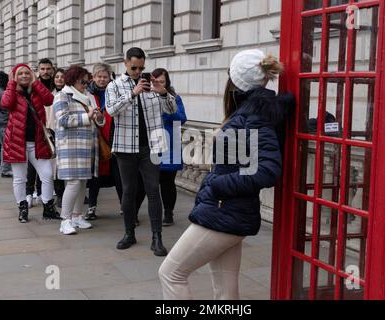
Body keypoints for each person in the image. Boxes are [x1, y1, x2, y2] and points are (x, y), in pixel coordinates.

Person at [158, 49, 294, 299]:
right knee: (226, 291)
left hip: (226, 210)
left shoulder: (253, 116)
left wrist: (220, 185)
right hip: (230, 211)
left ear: (236, 80)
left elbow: (268, 169)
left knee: (171, 273)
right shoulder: (250, 111)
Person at [105, 47, 177, 256]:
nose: (138, 72)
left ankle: (157, 237)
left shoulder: (152, 85)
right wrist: (132, 93)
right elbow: (110, 110)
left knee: (153, 190)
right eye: (134, 67)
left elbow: (172, 110)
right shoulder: (115, 85)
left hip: (151, 147)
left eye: (142, 68)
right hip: (126, 147)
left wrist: (163, 93)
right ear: (126, 63)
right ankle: (129, 233)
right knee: (128, 191)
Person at [1, 63, 61, 223]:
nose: (24, 76)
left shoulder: (36, 89)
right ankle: (22, 208)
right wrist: (11, 83)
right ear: (15, 76)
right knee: (20, 178)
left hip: (37, 141)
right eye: (20, 74)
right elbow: (6, 103)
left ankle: (48, 207)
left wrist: (36, 82)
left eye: (27, 73)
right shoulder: (12, 91)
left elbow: (49, 100)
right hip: (17, 142)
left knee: (47, 175)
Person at [54, 65, 105, 235]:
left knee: (83, 181)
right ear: (73, 80)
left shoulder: (86, 97)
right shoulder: (62, 96)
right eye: (83, 81)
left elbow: (96, 121)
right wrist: (87, 116)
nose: (86, 84)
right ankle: (65, 220)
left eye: (87, 81)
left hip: (85, 145)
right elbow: (63, 120)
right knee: (74, 183)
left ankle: (77, 216)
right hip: (70, 146)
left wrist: (97, 116)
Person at [135, 68, 187, 226]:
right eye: (155, 81)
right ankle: (133, 212)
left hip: (169, 144)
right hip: (149, 143)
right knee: (143, 182)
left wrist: (166, 108)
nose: (158, 84)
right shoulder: (144, 96)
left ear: (167, 82)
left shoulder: (174, 97)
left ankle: (168, 212)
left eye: (162, 82)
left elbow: (181, 119)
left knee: (167, 182)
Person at [85, 63, 123, 220]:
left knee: (119, 176)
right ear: (93, 78)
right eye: (99, 76)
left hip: (114, 139)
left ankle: (125, 207)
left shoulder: (116, 93)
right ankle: (92, 208)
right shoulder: (87, 95)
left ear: (110, 77)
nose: (102, 79)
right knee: (95, 177)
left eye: (105, 77)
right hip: (94, 141)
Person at [26, 58, 56, 207]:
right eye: (42, 69)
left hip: (53, 127)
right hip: (38, 128)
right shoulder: (32, 85)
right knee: (33, 163)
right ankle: (29, 192)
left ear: (52, 69)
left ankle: (43, 192)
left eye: (48, 69)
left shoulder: (55, 84)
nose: (45, 72)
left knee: (47, 162)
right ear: (38, 70)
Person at [45, 68, 66, 208]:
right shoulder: (49, 95)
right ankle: (59, 194)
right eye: (57, 76)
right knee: (56, 167)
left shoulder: (71, 93)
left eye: (62, 76)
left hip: (67, 133)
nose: (59, 79)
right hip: (53, 133)